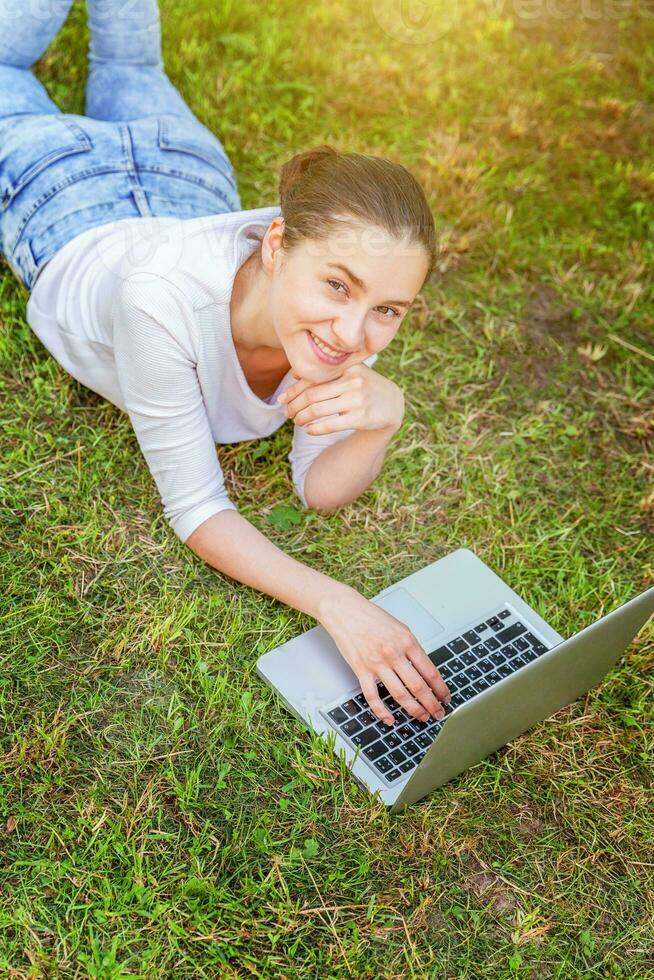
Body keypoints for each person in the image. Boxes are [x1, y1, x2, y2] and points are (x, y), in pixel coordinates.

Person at [0, 0, 450, 728]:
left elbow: (317, 488)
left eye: (387, 309)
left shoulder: (338, 335)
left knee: (129, 66)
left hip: (184, 173)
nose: (351, 333)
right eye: (337, 283)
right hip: (63, 193)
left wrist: (380, 423)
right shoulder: (159, 305)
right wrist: (338, 603)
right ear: (276, 242)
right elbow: (198, 509)